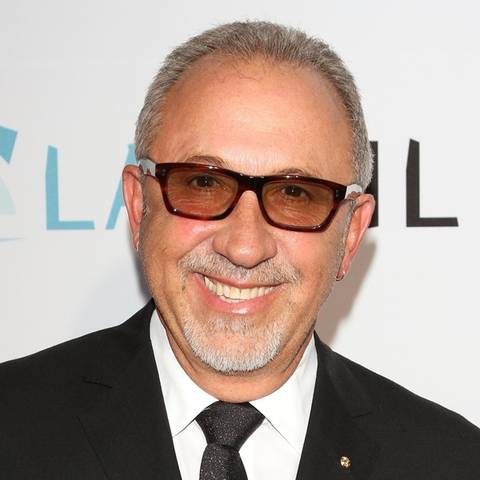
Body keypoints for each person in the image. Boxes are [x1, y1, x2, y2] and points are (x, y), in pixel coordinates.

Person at [1, 21, 479, 480]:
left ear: (351, 233)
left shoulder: (451, 463)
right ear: (138, 205)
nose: (245, 247)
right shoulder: (13, 427)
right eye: (203, 184)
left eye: (295, 194)